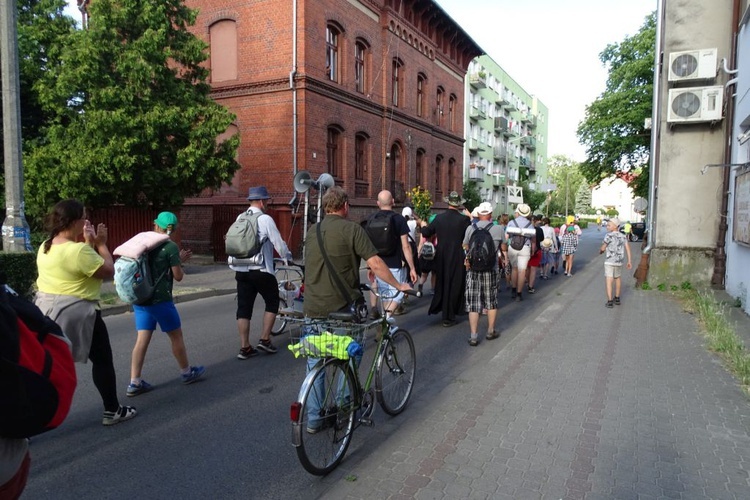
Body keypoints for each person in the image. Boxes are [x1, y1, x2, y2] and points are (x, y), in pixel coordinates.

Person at [302, 187, 411, 433]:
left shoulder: (312, 231)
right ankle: (344, 403)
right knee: (351, 353)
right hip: (342, 308)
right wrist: (397, 284)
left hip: (312, 307)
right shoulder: (352, 229)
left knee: (315, 360)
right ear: (346, 206)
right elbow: (374, 262)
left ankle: (314, 419)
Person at [35, 199, 137, 426]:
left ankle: (25, 422)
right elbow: (108, 270)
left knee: (44, 365)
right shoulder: (79, 250)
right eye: (84, 216)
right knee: (102, 360)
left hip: (47, 311)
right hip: (79, 311)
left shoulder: (46, 245)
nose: (86, 220)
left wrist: (88, 243)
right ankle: (112, 409)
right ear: (73, 221)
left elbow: (81, 267)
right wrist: (101, 244)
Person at [126, 212, 205, 396]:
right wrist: (179, 260)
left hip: (141, 298)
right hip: (160, 300)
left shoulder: (143, 243)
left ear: (155, 225)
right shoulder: (169, 247)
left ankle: (134, 382)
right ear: (174, 229)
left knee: (141, 340)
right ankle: (186, 372)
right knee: (176, 336)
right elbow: (178, 276)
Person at [229, 186, 293, 359]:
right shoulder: (265, 219)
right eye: (266, 200)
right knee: (272, 302)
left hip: (241, 269)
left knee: (243, 308)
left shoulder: (240, 217)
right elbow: (278, 243)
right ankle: (265, 339)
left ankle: (245, 347)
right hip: (261, 269)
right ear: (262, 201)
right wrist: (288, 256)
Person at [420, 191, 472, 327]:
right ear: (459, 204)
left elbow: (426, 233)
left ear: (448, 203)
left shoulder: (439, 218)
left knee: (443, 282)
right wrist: (470, 217)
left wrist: (423, 224)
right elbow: (472, 233)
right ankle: (451, 313)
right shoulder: (464, 220)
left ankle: (444, 312)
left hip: (442, 254)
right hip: (457, 254)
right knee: (455, 282)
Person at [364, 191, 417, 316]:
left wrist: (369, 266)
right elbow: (406, 246)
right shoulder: (399, 219)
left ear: (378, 203)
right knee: (398, 294)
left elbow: (367, 246)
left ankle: (385, 325)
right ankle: (385, 320)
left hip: (378, 264)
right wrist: (412, 268)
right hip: (395, 264)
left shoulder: (371, 219)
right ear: (393, 201)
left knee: (385, 295)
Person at [462, 202, 505, 346]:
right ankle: (490, 331)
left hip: (473, 269)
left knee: (473, 303)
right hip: (491, 269)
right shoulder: (498, 228)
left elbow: (465, 246)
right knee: (491, 300)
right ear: (491, 214)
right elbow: (503, 246)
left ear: (478, 214)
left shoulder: (470, 228)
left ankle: (473, 335)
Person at [502, 203, 534, 302]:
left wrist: (505, 248)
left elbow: (506, 237)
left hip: (513, 247)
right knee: (522, 271)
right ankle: (519, 294)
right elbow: (533, 240)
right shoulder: (530, 225)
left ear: (518, 212)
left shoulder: (511, 222)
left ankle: (513, 289)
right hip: (525, 247)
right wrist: (532, 250)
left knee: (514, 269)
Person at [600, 217, 632, 308]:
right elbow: (628, 249)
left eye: (609, 225)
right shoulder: (623, 236)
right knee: (617, 278)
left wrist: (601, 251)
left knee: (609, 280)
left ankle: (610, 301)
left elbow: (603, 247)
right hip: (619, 261)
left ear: (615, 226)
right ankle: (617, 298)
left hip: (609, 261)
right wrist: (629, 261)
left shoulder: (608, 236)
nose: (607, 226)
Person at [525, 214, 544, 294]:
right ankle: (530, 286)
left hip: (526, 250)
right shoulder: (539, 230)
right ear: (536, 221)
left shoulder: (525, 229)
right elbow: (542, 239)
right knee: (533, 269)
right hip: (537, 251)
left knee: (527, 268)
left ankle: (527, 281)